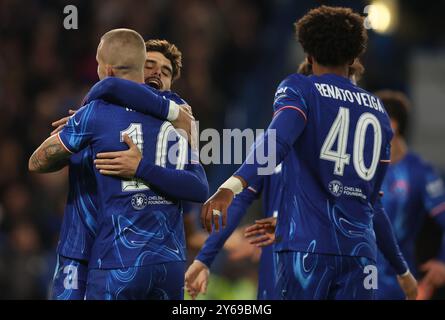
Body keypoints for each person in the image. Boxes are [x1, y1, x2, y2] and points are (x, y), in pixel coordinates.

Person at [200, 6, 417, 299]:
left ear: (309, 55)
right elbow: (372, 204)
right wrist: (402, 270)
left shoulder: (300, 88)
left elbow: (275, 142)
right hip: (360, 254)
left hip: (308, 250)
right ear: (354, 58)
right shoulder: (378, 110)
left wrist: (230, 185)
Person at [29, 28, 209, 299]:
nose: (158, 74)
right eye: (149, 65)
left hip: (115, 254)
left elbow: (112, 85)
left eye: (166, 71)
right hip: (85, 242)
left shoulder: (177, 116)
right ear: (135, 67)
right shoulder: (98, 114)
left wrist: (88, 110)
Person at [373, 90, 445, 299]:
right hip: (355, 285)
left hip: (399, 289)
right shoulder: (360, 167)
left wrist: (442, 262)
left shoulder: (420, 173)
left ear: (391, 126)